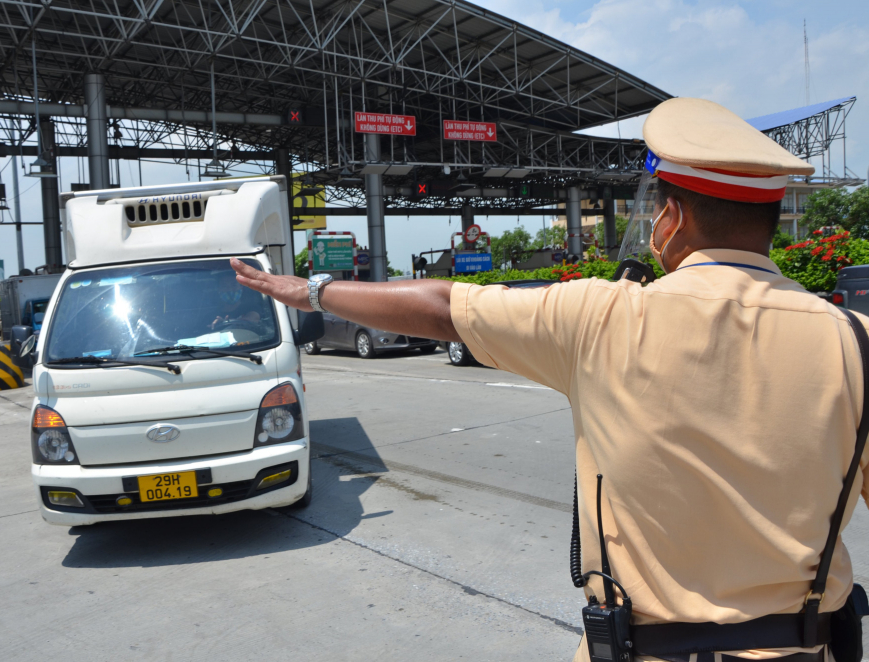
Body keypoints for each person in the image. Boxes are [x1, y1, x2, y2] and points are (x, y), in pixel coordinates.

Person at [232, 97, 868, 662]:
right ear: (769, 217)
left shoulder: (602, 316)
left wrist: (311, 289)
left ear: (672, 218)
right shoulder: (857, 341)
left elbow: (440, 306)